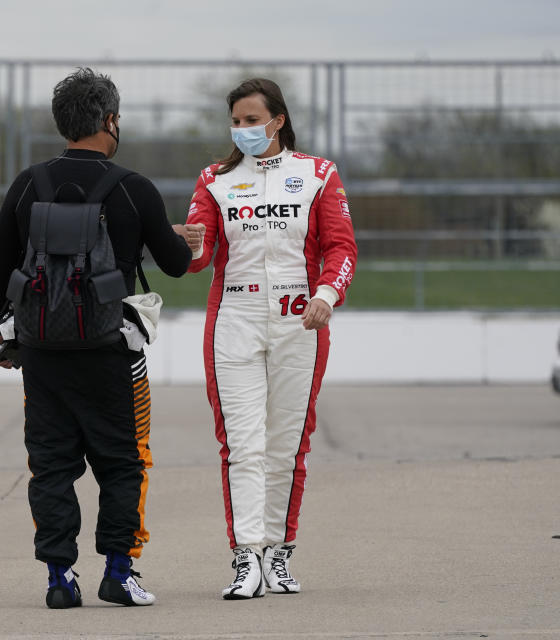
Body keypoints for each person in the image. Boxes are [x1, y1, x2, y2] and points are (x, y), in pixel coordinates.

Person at [0, 67, 203, 609]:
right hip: (112, 353)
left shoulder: (27, 184)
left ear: (64, 123)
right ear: (109, 121)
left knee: (51, 463)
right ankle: (118, 572)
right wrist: (182, 238)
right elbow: (176, 266)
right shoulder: (133, 189)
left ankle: (60, 579)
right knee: (123, 462)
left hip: (41, 350)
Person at [185, 78, 357, 599]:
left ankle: (278, 554)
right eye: (235, 122)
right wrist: (188, 243)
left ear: (278, 121)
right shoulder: (214, 180)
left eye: (252, 120)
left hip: (300, 322)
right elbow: (195, 260)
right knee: (241, 444)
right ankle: (245, 558)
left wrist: (327, 295)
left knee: (287, 445)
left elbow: (342, 247)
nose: (243, 130)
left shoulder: (318, 174)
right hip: (233, 321)